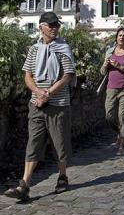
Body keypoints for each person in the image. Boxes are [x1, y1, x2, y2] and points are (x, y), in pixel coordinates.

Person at [4, 12, 76, 200]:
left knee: (59, 142)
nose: (54, 28)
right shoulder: (34, 49)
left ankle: (62, 176)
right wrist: (38, 93)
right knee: (33, 141)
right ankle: (25, 184)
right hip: (36, 103)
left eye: (56, 25)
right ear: (40, 27)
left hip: (58, 103)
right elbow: (27, 75)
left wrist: (48, 93)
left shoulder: (63, 48)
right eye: (50, 25)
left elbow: (67, 75)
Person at [97, 26, 124, 156]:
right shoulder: (110, 51)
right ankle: (119, 132)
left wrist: (120, 66)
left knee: (122, 117)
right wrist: (105, 65)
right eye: (120, 35)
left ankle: (122, 144)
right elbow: (102, 72)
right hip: (111, 88)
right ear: (116, 38)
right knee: (109, 116)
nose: (122, 37)